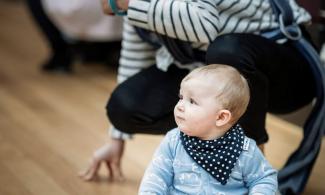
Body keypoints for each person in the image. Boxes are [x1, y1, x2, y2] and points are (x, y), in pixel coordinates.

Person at [79, 0, 316, 183]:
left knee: (226, 51)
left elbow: (204, 25)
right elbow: (136, 50)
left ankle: (252, 169)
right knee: (126, 106)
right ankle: (210, 158)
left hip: (285, 66)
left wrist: (129, 4)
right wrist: (116, 139)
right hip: (210, 67)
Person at [139, 64, 278, 194]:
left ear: (221, 117)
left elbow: (264, 179)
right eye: (181, 97)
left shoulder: (245, 151)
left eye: (192, 101)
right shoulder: (173, 141)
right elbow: (156, 176)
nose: (180, 106)